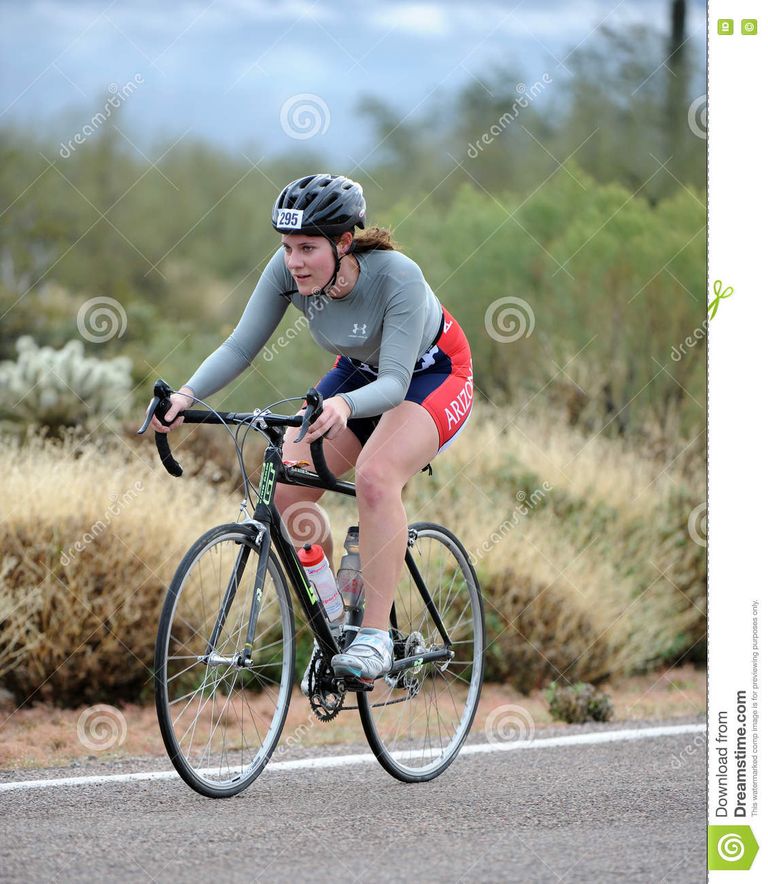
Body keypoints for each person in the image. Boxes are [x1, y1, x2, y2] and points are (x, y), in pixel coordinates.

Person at [151, 173, 474, 686]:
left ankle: (374, 639)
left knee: (375, 476)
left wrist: (345, 406)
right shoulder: (288, 272)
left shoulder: (397, 277)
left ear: (344, 243)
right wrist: (187, 396)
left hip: (430, 374)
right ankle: (336, 617)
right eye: (286, 247)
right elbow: (240, 348)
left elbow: (394, 383)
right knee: (282, 493)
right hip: (356, 374)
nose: (294, 261)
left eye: (307, 247)